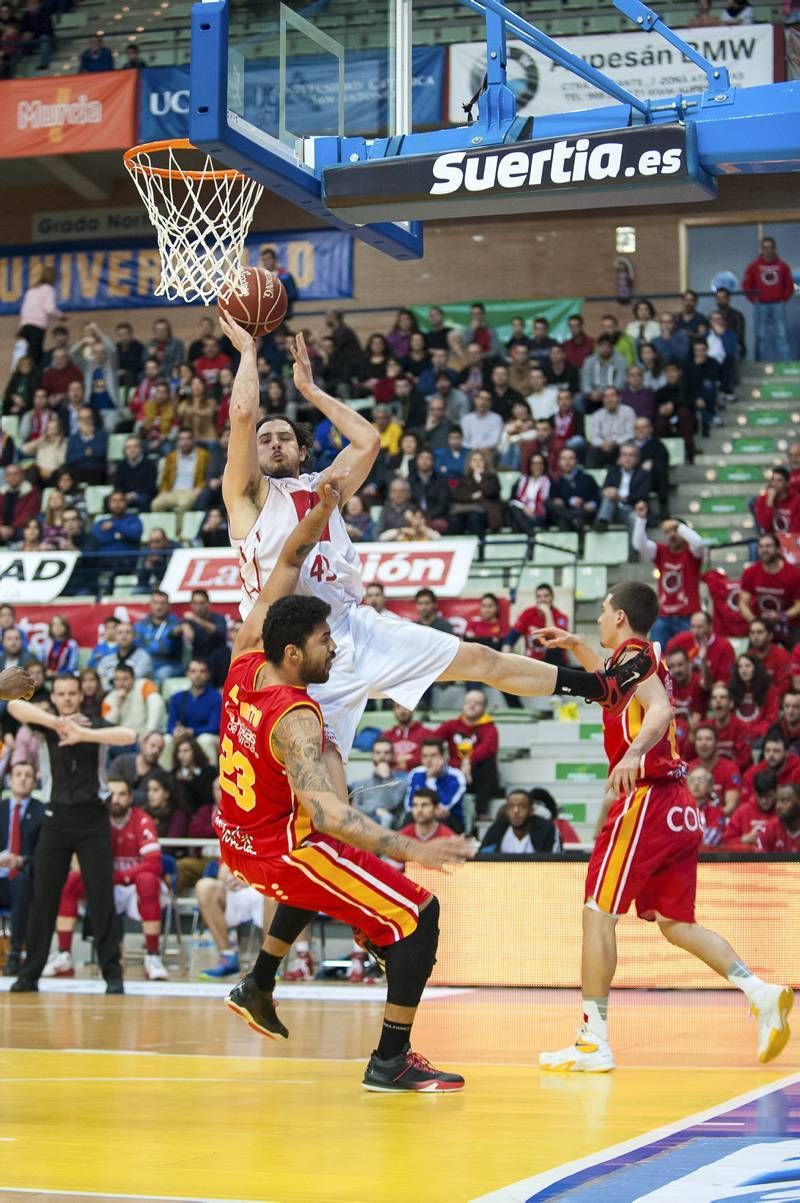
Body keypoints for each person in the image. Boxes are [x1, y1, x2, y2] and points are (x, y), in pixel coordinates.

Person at [219, 311, 659, 802]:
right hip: (291, 650)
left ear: (302, 451)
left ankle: (600, 688)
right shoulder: (247, 497)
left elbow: (367, 440)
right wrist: (248, 352)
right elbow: (242, 414)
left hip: (351, 625)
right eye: (265, 439)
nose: (273, 443)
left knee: (479, 658)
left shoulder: (324, 488)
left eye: (283, 437)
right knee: (318, 775)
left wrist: (312, 392)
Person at [212, 475, 474, 1089]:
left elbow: (288, 558)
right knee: (418, 915)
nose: (335, 647)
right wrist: (415, 848)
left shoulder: (247, 653)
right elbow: (328, 814)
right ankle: (390, 1059)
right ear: (296, 656)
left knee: (344, 867)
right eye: (325, 640)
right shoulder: (298, 718)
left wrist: (324, 508)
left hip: (236, 836)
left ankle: (259, 982)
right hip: (286, 853)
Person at [536, 581, 793, 1071]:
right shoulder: (631, 660)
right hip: (676, 805)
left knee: (597, 912)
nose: (599, 617)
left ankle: (593, 1040)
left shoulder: (637, 656)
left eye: (604, 609)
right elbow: (616, 688)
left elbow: (659, 708)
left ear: (620, 618)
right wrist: (575, 645)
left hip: (647, 799)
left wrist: (633, 752)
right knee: (676, 924)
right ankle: (760, 993)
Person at [6, 674, 136, 993]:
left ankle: (112, 974)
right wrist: (57, 723)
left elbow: (129, 735)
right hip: (56, 817)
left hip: (92, 818)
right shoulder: (46, 722)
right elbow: (13, 708)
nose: (66, 698)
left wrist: (83, 734)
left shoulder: (95, 724)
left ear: (80, 696)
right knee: (44, 897)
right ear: (56, 697)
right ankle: (30, 973)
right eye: (61, 693)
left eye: (71, 693)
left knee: (101, 897)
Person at [43, 778, 169, 982]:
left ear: (130, 798)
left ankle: (152, 957)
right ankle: (64, 954)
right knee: (71, 881)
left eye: (121, 794)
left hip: (132, 888)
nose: (115, 799)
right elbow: (77, 861)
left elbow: (154, 864)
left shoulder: (142, 819)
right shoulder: (95, 820)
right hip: (104, 885)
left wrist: (119, 876)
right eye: (111, 794)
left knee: (147, 880)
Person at [632, 506, 705, 646]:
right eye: (668, 531)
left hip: (688, 616)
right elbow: (639, 545)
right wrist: (641, 519)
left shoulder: (693, 553)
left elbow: (698, 542)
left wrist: (679, 526)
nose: (671, 535)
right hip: (664, 617)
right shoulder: (661, 551)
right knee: (656, 658)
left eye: (675, 531)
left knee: (689, 656)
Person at [0, 761, 45, 976]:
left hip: (25, 880)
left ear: (35, 782)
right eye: (18, 774)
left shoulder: (42, 813)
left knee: (20, 883)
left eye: (28, 774)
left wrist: (21, 861)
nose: (23, 778)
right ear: (9, 780)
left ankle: (16, 953)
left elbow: (46, 855)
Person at [433, 690, 500, 817]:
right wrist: (440, 758)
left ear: (484, 708)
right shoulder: (452, 725)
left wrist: (468, 760)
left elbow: (488, 748)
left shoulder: (490, 728)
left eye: (477, 703)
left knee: (488, 764)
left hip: (477, 778)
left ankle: (481, 811)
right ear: (463, 705)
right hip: (456, 772)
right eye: (469, 702)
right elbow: (432, 740)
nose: (472, 705)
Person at [196, 861, 266, 981]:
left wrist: (251, 878)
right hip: (237, 889)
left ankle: (269, 964)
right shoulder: (239, 841)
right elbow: (223, 869)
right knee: (204, 886)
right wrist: (229, 878)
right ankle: (227, 957)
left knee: (276, 895)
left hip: (267, 888)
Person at [739, 532, 800, 641]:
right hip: (762, 623)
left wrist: (781, 616)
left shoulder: (793, 574)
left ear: (778, 549)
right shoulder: (750, 572)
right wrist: (755, 621)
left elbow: (799, 605)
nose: (764, 550)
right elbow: (743, 603)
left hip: (790, 624)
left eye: (768, 546)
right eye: (761, 546)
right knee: (749, 657)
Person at [742, 236, 794, 363]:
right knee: (761, 337)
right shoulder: (753, 266)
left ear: (775, 249)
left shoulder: (783, 266)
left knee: (782, 336)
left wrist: (783, 299)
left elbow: (789, 285)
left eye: (770, 248)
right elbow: (746, 285)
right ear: (761, 249)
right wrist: (753, 299)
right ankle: (760, 365)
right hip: (761, 305)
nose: (767, 250)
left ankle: (786, 364)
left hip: (778, 304)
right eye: (765, 248)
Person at [404, 739, 468, 833]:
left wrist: (430, 779)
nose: (429, 760)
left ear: (443, 757)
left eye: (433, 755)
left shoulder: (456, 777)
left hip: (450, 820)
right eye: (425, 756)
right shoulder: (415, 773)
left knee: (440, 817)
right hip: (421, 817)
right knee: (410, 817)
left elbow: (443, 807)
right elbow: (410, 805)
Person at [348, 738, 408, 828]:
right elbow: (355, 807)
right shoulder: (360, 783)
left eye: (386, 753)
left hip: (387, 825)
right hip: (362, 822)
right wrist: (375, 810)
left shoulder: (401, 784)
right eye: (378, 753)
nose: (382, 756)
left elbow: (390, 805)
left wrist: (386, 779)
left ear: (392, 756)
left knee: (386, 818)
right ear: (373, 755)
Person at [477, 789, 560, 854]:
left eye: (522, 806)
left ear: (531, 810)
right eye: (511, 806)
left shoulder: (546, 830)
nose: (516, 811)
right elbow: (483, 860)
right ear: (506, 810)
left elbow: (554, 863)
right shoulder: (496, 830)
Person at [595, 443, 651, 531]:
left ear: (637, 459)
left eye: (631, 455)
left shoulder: (643, 474)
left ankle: (633, 545)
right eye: (624, 455)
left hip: (631, 509)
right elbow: (604, 490)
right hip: (612, 509)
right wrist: (604, 492)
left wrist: (621, 498)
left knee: (635, 519)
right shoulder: (613, 471)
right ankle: (602, 522)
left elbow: (642, 496)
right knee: (609, 495)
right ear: (620, 458)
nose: (627, 459)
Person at [687, 723, 741, 813]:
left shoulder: (729, 768)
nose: (703, 743)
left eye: (708, 739)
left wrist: (711, 819)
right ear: (695, 743)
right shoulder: (689, 768)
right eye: (699, 739)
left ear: (716, 743)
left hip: (720, 822)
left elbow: (731, 806)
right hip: (692, 820)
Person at [133, 590, 184, 684]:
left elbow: (167, 650)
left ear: (169, 606)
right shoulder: (141, 624)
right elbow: (136, 647)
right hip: (144, 664)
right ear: (150, 605)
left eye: (162, 603)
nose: (159, 607)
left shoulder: (176, 625)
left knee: (160, 675)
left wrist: (149, 645)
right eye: (155, 603)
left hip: (169, 665)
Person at [546, 446, 600, 532]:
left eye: (570, 458)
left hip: (583, 513)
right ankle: (571, 517)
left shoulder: (587, 478)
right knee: (550, 504)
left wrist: (591, 504)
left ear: (576, 461)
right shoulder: (556, 481)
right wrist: (566, 501)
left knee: (576, 518)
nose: (567, 462)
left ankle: (571, 517)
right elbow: (553, 501)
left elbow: (597, 498)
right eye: (564, 459)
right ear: (559, 462)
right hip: (565, 514)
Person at [753, 467, 800, 535]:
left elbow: (796, 530)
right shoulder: (763, 499)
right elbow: (765, 526)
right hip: (772, 540)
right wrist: (769, 502)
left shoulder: (797, 500)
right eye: (773, 480)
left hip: (791, 540)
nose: (775, 484)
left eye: (779, 480)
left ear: (787, 483)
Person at [758, 781, 800, 852]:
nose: (778, 806)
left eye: (785, 801)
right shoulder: (769, 829)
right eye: (777, 801)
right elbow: (762, 861)